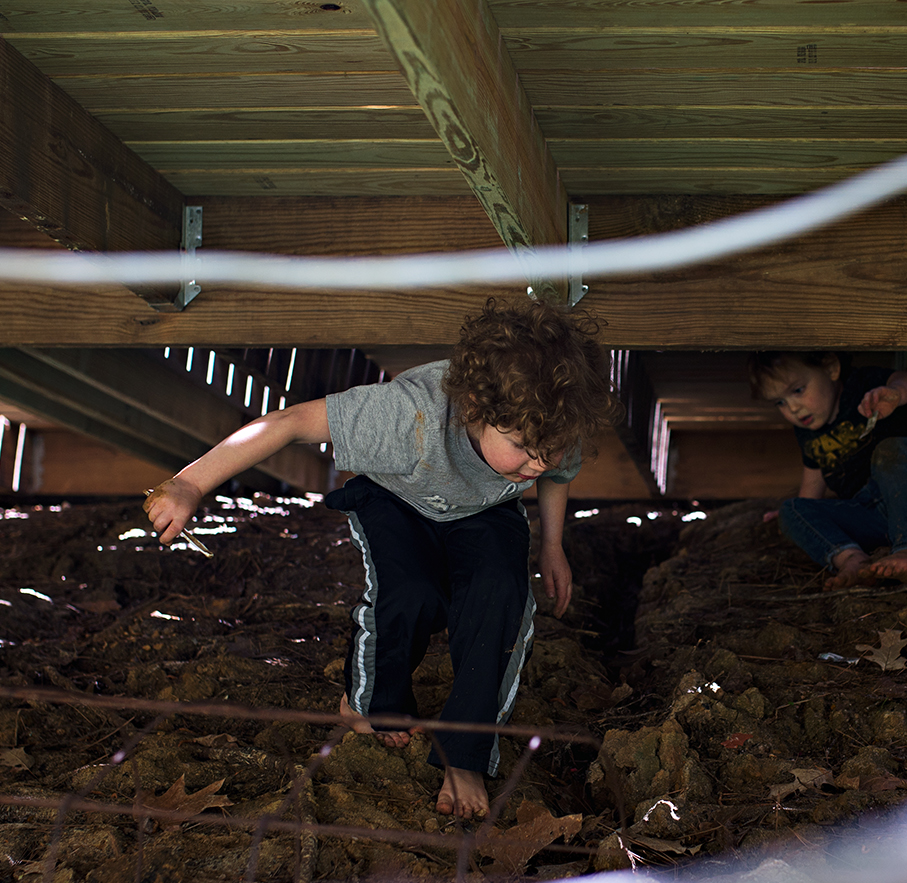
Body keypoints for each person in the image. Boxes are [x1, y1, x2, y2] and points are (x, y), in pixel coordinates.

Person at [145, 299, 616, 820]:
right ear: (478, 408)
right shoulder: (407, 416)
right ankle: (370, 706)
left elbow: (556, 474)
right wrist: (189, 483)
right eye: (524, 446)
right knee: (410, 595)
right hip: (398, 499)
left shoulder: (549, 427)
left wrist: (552, 546)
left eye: (549, 448)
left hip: (484, 510)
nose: (539, 461)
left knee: (502, 598)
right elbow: (289, 423)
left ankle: (466, 752)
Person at [749, 351, 907, 589]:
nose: (792, 408)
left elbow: (904, 377)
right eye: (780, 402)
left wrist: (896, 393)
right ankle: (853, 559)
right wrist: (799, 516)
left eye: (797, 391)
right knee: (790, 508)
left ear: (831, 368)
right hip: (872, 516)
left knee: (893, 448)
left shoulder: (861, 386)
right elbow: (813, 477)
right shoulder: (808, 433)